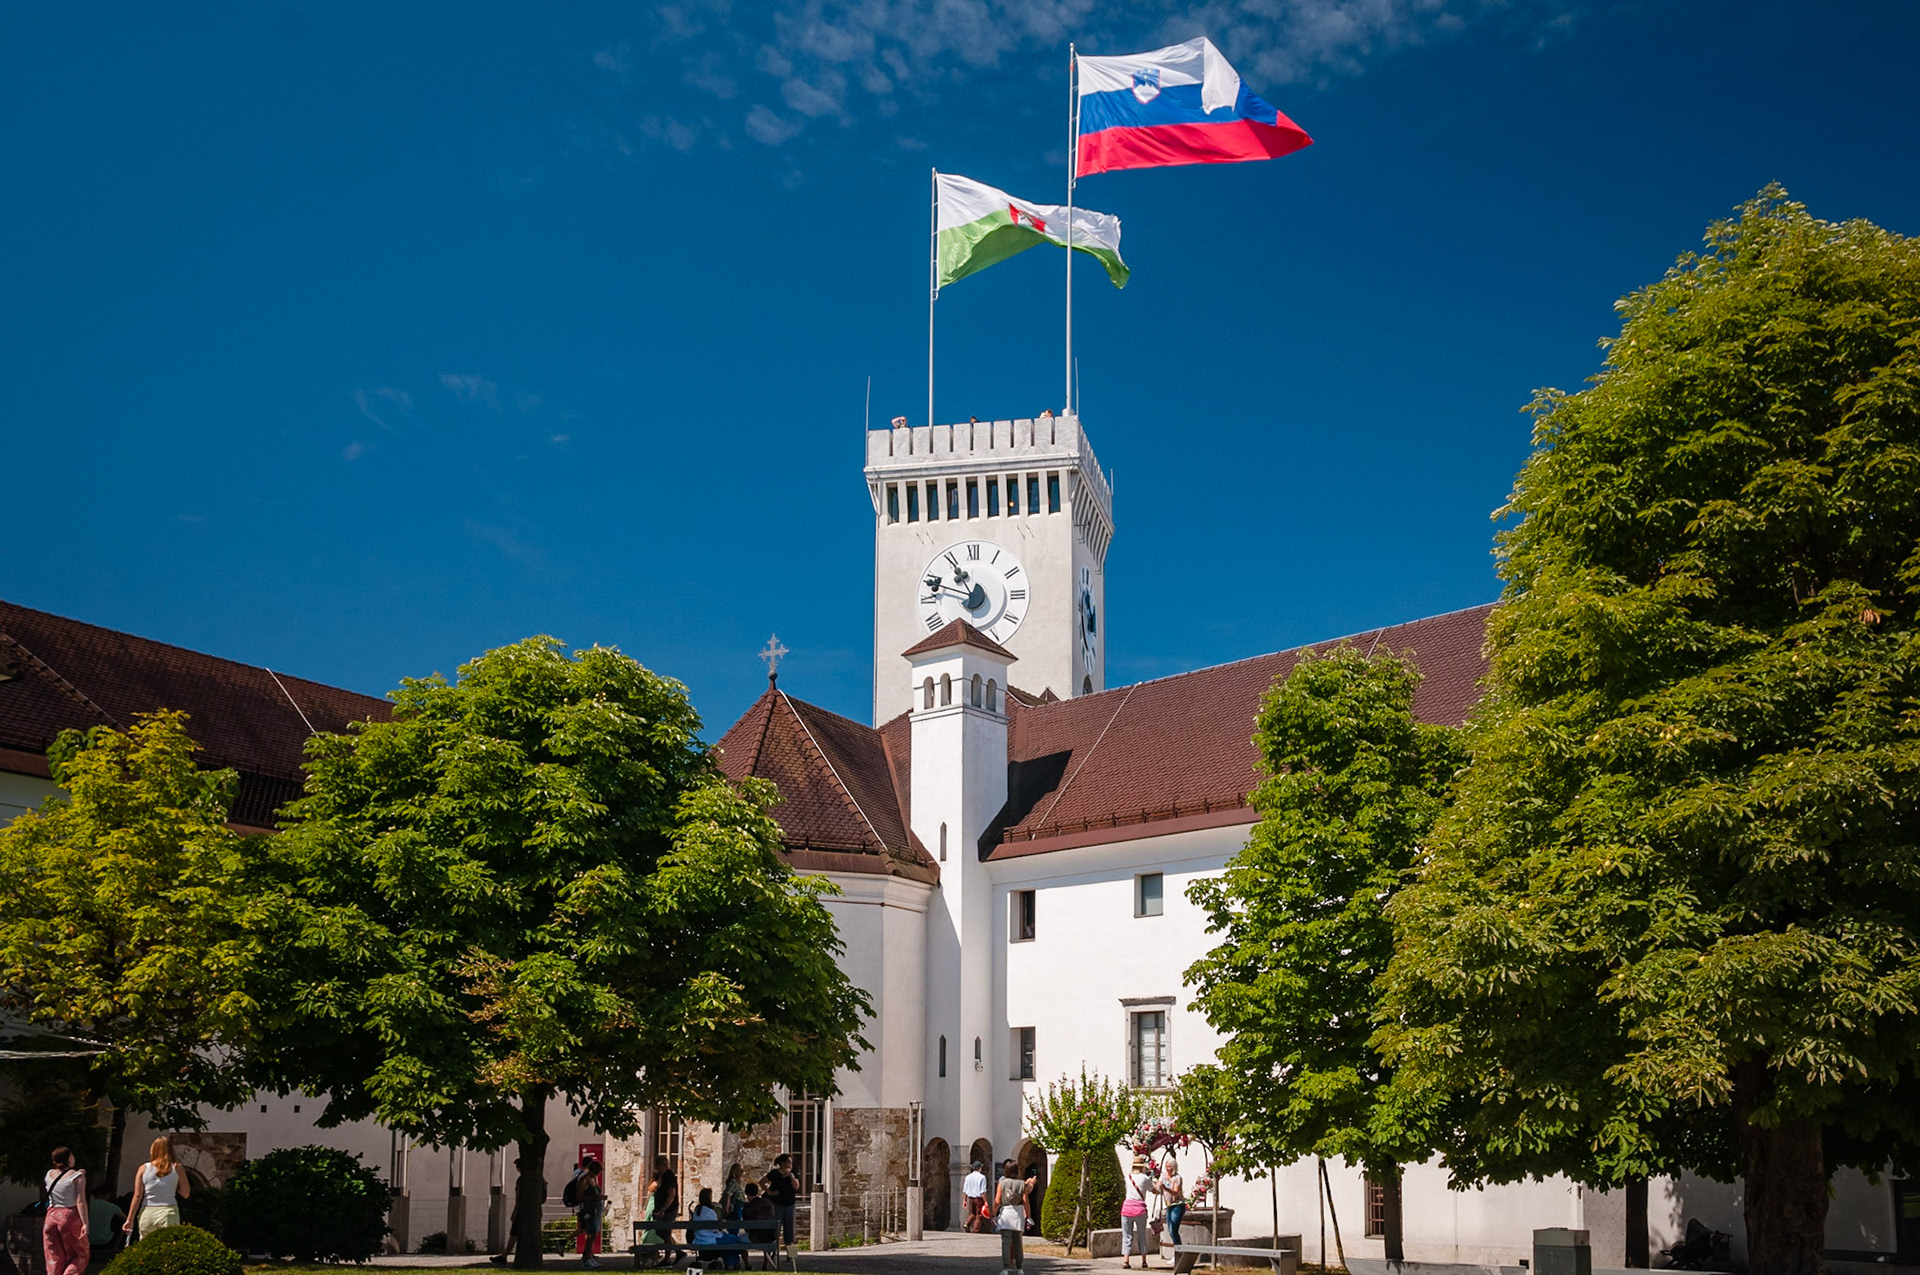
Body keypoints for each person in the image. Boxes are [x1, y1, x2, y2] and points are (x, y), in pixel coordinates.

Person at [123, 1136, 188, 1238]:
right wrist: (172, 1187)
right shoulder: (177, 1168)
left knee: (146, 1246)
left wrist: (129, 1219)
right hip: (168, 1211)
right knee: (168, 1246)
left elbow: (137, 1195)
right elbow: (185, 1194)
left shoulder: (143, 1168)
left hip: (147, 1212)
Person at [40, 1147, 87, 1275]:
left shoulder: (49, 1174)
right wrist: (85, 1223)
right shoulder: (78, 1176)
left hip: (51, 1217)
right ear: (69, 1158)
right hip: (69, 1217)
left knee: (54, 1257)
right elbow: (80, 1201)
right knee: (80, 1254)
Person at [648, 1158, 686, 1269]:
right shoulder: (663, 1177)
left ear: (663, 1165)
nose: (657, 1169)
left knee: (665, 1232)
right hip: (662, 1210)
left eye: (658, 1166)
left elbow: (671, 1194)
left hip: (668, 1211)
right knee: (663, 1233)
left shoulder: (669, 1176)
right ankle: (677, 1253)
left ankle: (667, 1258)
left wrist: (663, 1210)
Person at [993, 1158, 1030, 1270]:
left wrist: (993, 1214)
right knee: (1018, 1242)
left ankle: (1005, 1268)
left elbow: (997, 1201)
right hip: (1018, 1214)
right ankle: (1020, 1268)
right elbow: (1026, 1202)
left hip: (1006, 1213)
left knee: (1006, 1242)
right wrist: (1028, 1216)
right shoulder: (1022, 1183)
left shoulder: (1002, 1183)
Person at [690, 1187, 739, 1271]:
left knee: (728, 1240)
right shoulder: (710, 1212)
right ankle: (730, 1264)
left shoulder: (697, 1210)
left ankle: (729, 1263)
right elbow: (715, 1229)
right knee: (735, 1240)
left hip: (699, 1239)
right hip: (711, 1239)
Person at [1120, 1154, 1155, 1268]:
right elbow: (1153, 1190)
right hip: (1139, 1209)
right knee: (1141, 1235)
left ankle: (1126, 1261)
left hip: (1126, 1208)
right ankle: (1144, 1260)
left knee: (1127, 1236)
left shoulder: (1128, 1177)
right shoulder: (1145, 1178)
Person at [762, 1153, 799, 1251]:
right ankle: (774, 1252)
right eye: (788, 1162)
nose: (790, 1164)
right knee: (776, 1229)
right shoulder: (774, 1173)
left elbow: (796, 1187)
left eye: (791, 1162)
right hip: (777, 1204)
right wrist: (769, 1192)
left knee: (790, 1231)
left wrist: (791, 1176)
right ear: (782, 1163)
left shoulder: (793, 1173)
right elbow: (762, 1182)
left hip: (790, 1204)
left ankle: (791, 1255)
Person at [573, 1156, 603, 1269]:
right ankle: (585, 1259)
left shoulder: (594, 1179)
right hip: (587, 1209)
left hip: (595, 1209)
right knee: (591, 1233)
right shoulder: (584, 1179)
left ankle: (588, 1257)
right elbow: (579, 1196)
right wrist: (595, 1198)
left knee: (593, 1234)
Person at [1159, 1155, 1186, 1257]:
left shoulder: (1177, 1178)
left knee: (1173, 1230)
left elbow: (1175, 1192)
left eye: (1169, 1166)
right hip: (1169, 1206)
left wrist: (1165, 1188)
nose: (1167, 1168)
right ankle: (1178, 1253)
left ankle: (1179, 1254)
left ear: (1174, 1167)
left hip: (1177, 1205)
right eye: (1166, 1166)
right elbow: (1158, 1187)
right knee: (1171, 1230)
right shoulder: (1164, 1176)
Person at [961, 1160, 988, 1234]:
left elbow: (965, 1190)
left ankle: (967, 1223)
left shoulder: (968, 1177)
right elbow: (983, 1191)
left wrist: (965, 1200)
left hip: (971, 1198)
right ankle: (975, 1230)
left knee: (972, 1213)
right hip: (978, 1198)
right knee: (978, 1215)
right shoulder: (982, 1177)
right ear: (979, 1168)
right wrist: (985, 1201)